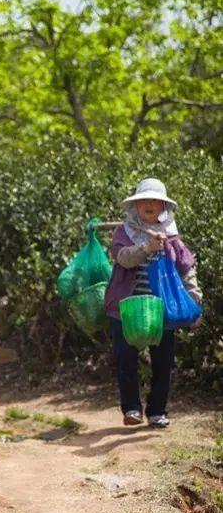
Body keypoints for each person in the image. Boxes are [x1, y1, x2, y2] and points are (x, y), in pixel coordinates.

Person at [104, 178, 202, 428]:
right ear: (135, 206)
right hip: (126, 310)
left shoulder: (173, 238)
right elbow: (124, 258)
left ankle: (157, 410)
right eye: (143, 201)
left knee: (164, 363)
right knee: (126, 358)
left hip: (162, 311)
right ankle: (132, 409)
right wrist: (147, 247)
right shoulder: (123, 233)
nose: (148, 204)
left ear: (163, 207)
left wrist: (194, 302)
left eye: (154, 201)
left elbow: (187, 269)